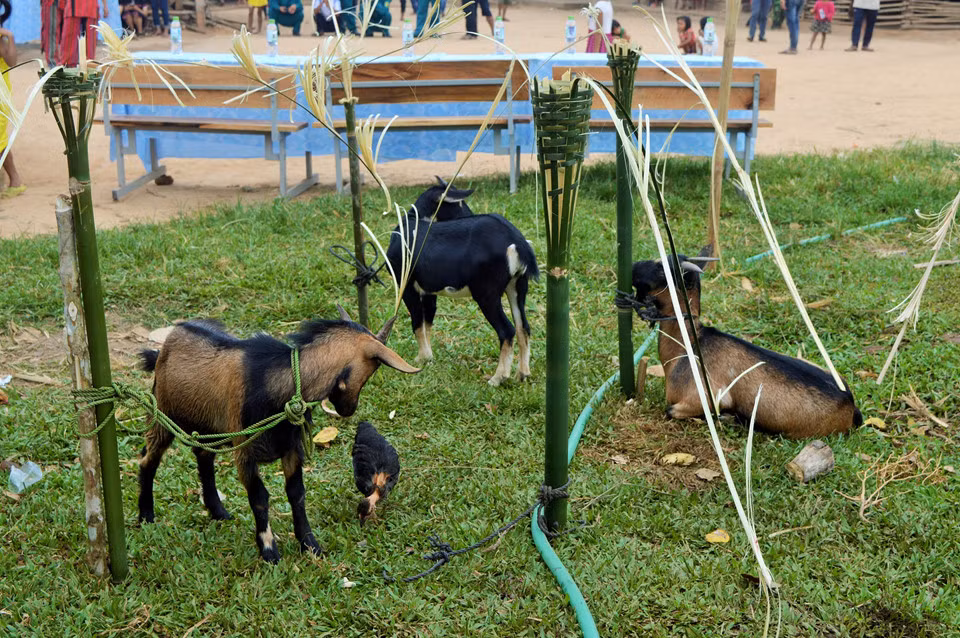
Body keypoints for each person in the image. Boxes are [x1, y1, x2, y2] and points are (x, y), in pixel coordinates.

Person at [0, 0, 24, 198]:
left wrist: (10, 37)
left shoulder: (1, 36)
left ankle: (15, 180)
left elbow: (12, 62)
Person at [58, 0, 108, 67]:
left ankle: (69, 65)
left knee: (70, 42)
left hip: (78, 7)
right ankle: (87, 65)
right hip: (83, 8)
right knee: (88, 43)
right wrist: (105, 6)